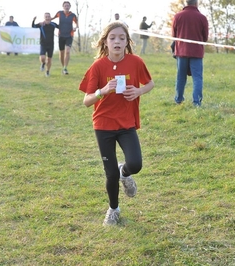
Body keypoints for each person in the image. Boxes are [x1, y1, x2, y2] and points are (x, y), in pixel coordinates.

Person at [78, 21, 154, 226]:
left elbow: (150, 83)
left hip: (126, 123)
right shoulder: (98, 66)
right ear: (105, 42)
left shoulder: (136, 62)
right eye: (112, 38)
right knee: (109, 174)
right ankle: (113, 209)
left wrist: (138, 91)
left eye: (122, 38)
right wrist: (102, 91)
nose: (117, 42)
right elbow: (86, 101)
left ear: (127, 42)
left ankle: (125, 172)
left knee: (136, 164)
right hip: (103, 125)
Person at [172, 0, 208, 107]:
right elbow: (205, 37)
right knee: (197, 78)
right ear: (196, 3)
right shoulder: (202, 18)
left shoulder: (177, 17)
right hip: (196, 52)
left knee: (181, 77)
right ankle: (196, 102)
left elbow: (173, 36)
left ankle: (179, 99)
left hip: (181, 51)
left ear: (186, 3)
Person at [52, 1, 78, 75]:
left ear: (70, 7)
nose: (66, 7)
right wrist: (45, 21)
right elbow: (52, 18)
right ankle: (63, 67)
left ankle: (65, 68)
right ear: (63, 7)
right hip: (61, 35)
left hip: (69, 35)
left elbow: (77, 23)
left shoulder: (73, 15)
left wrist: (75, 27)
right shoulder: (59, 13)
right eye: (65, 5)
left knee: (67, 51)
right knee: (62, 53)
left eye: (68, 5)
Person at [32, 13, 58, 77]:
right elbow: (33, 26)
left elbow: (60, 27)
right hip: (43, 43)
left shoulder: (53, 24)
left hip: (51, 44)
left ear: (50, 17)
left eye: (48, 16)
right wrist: (33, 20)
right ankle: (43, 63)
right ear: (44, 18)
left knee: (49, 59)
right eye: (46, 17)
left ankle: (47, 71)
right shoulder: (41, 24)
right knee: (43, 57)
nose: (47, 18)